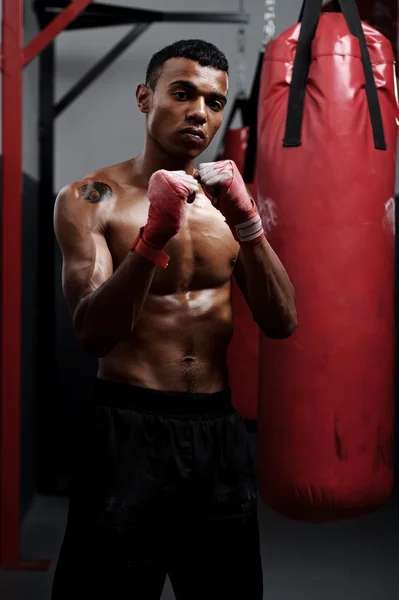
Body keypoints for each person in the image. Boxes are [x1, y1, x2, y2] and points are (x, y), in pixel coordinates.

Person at [51, 39, 297, 600]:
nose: (199, 114)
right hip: (126, 429)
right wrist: (153, 239)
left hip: (217, 432)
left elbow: (282, 321)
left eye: (213, 102)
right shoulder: (92, 199)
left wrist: (249, 224)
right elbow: (93, 332)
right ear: (145, 97)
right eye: (182, 94)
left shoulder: (231, 204)